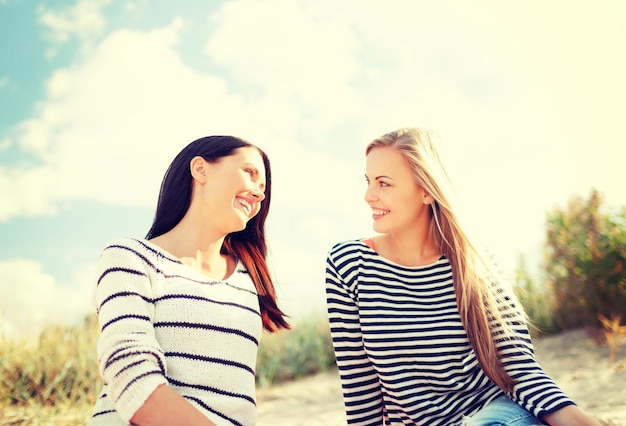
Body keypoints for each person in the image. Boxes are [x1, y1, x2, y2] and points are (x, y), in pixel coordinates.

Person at [325, 127, 600, 426]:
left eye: (383, 183)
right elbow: (360, 389)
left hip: (500, 417)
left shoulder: (476, 263)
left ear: (427, 190)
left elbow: (520, 370)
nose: (368, 196)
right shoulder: (348, 265)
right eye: (368, 181)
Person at [88, 135, 289, 426]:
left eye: (263, 188)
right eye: (250, 173)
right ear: (200, 169)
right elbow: (130, 375)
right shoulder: (130, 257)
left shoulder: (248, 279)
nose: (259, 193)